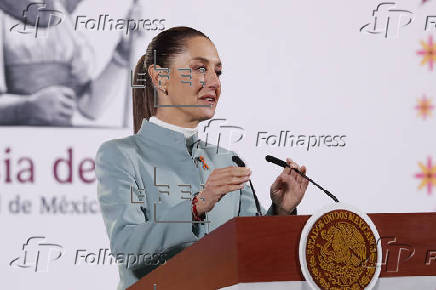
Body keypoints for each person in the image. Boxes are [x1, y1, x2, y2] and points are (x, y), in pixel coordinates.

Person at [95, 26, 309, 290]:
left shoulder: (228, 160)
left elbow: (254, 251)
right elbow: (127, 248)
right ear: (160, 78)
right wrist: (196, 206)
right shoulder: (121, 155)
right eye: (199, 69)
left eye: (217, 72)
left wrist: (281, 211)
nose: (214, 82)